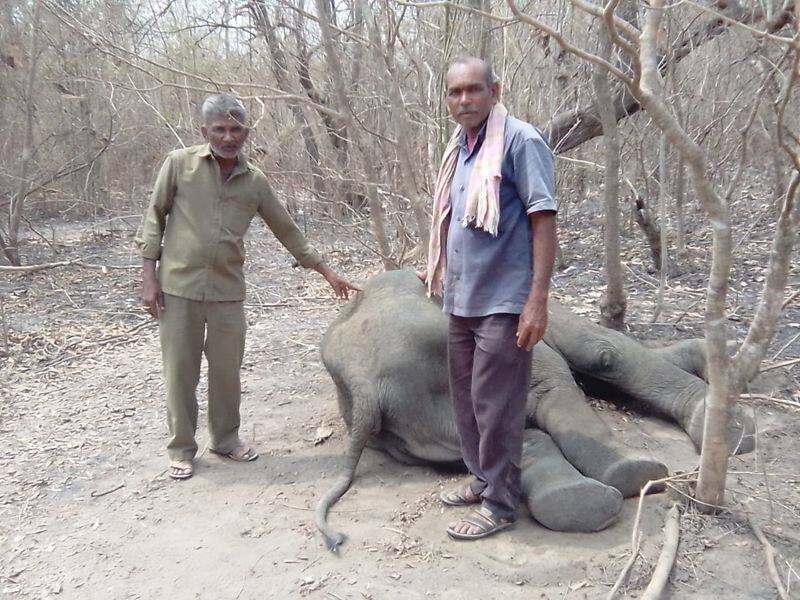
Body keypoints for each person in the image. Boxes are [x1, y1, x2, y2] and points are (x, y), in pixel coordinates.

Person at [137, 93, 359, 481]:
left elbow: (286, 229)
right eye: (219, 129)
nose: (228, 137)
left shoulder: (254, 181)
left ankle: (225, 439)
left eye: (236, 129)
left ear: (246, 132)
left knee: (227, 371)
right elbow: (154, 218)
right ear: (204, 131)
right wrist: (149, 278)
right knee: (180, 371)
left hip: (227, 291)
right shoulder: (179, 165)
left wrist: (326, 271)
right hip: (178, 287)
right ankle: (182, 449)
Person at [425, 57, 557, 540]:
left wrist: (536, 300)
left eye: (473, 90)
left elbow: (544, 218)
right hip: (462, 299)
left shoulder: (521, 140)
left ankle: (501, 504)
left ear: (494, 91)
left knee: (497, 404)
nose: (464, 100)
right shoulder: (458, 148)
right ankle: (482, 480)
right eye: (455, 92)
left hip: (504, 300)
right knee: (467, 400)